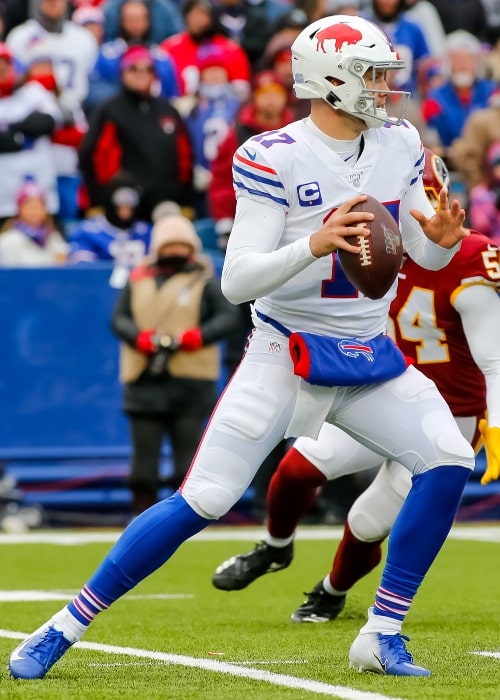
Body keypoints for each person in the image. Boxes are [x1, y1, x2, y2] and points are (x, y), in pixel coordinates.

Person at [9, 14, 473, 681]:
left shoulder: (398, 141)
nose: (384, 86)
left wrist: (444, 238)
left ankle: (381, 631)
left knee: (449, 459)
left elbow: (413, 251)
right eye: (372, 73)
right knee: (205, 497)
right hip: (285, 350)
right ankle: (64, 624)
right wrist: (313, 242)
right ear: (331, 79)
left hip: (368, 351)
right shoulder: (273, 154)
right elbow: (236, 280)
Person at [212, 149, 500, 625]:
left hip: (449, 411)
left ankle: (331, 591)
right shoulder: (364, 242)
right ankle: (275, 546)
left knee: (367, 521)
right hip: (380, 390)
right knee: (297, 470)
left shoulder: (467, 256)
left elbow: (494, 357)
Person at [111, 214, 239, 515]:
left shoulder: (204, 280)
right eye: (170, 245)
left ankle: (183, 519)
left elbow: (228, 317)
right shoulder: (138, 279)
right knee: (144, 463)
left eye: (183, 245)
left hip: (190, 381)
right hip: (145, 379)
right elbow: (118, 319)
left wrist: (198, 337)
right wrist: (139, 338)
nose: (177, 252)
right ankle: (140, 516)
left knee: (188, 462)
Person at [78, 44, 193, 221]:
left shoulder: (167, 110)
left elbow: (184, 156)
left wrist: (185, 198)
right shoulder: (110, 110)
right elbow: (94, 157)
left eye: (147, 69)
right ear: (122, 72)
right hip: (124, 205)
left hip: (164, 202)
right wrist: (99, 201)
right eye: (134, 68)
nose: (141, 74)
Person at [0, 178, 68, 266]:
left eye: (38, 206)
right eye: (29, 206)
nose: (34, 211)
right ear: (19, 209)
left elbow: (61, 266)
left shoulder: (54, 239)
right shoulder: (8, 240)